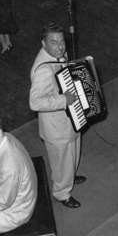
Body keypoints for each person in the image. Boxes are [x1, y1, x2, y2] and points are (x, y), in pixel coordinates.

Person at [29, 21, 86, 209]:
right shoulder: (43, 70)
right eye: (54, 42)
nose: (60, 46)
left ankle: (69, 176)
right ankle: (62, 193)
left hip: (70, 119)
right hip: (57, 128)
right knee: (61, 161)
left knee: (72, 153)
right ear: (44, 44)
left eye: (62, 41)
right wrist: (64, 100)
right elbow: (35, 102)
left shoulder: (59, 55)